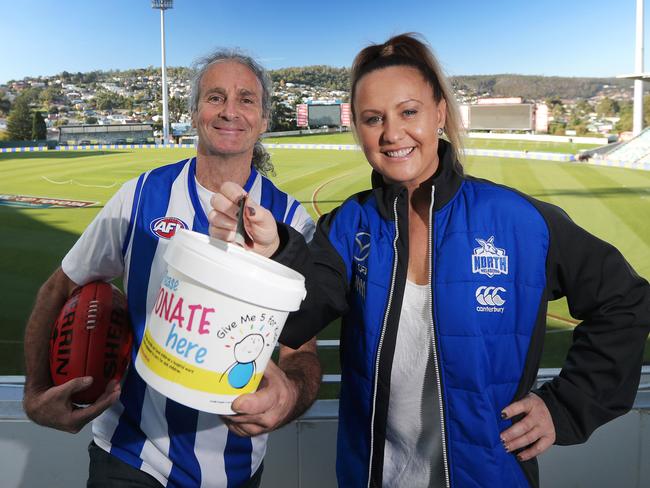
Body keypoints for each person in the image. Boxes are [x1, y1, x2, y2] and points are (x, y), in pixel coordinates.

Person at [209, 34, 650, 487]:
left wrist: (564, 406)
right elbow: (303, 311)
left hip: (491, 476)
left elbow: (627, 300)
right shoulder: (347, 226)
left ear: (439, 112)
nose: (392, 133)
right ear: (358, 128)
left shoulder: (520, 221)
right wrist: (273, 251)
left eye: (409, 112)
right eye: (373, 118)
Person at [23, 49, 321, 488]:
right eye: (215, 96)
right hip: (130, 457)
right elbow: (58, 288)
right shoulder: (139, 196)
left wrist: (290, 396)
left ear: (262, 120)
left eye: (246, 99)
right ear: (195, 112)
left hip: (237, 466)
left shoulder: (293, 223)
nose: (229, 111)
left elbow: (302, 353)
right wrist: (33, 394)